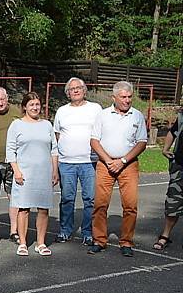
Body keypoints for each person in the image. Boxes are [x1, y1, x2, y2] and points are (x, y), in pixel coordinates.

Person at [89, 81, 148, 257]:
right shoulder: (103, 115)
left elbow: (142, 142)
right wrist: (108, 161)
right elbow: (94, 140)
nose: (127, 100)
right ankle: (99, 240)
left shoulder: (137, 116)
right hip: (105, 165)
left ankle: (126, 242)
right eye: (123, 97)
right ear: (113, 97)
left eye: (129, 97)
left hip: (128, 165)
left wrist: (122, 161)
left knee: (130, 205)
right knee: (100, 204)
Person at [6, 92, 59, 257]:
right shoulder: (17, 125)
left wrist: (55, 170)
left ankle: (41, 243)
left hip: (44, 173)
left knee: (43, 209)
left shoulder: (47, 125)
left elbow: (54, 149)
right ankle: (23, 243)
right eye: (31, 105)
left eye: (37, 104)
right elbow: (10, 150)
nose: (35, 108)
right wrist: (16, 171)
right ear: (24, 107)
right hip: (24, 174)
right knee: (23, 209)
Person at [53, 77, 102, 245]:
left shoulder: (95, 109)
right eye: (71, 89)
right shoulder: (62, 111)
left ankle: (88, 232)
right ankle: (65, 230)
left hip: (90, 162)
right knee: (67, 198)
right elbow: (58, 135)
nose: (75, 90)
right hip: (66, 163)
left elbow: (101, 132)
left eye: (78, 88)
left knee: (90, 199)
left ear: (84, 90)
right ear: (67, 93)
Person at [0, 87, 21, 245]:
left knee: (14, 197)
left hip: (13, 162)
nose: (0, 103)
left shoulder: (16, 112)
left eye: (3, 99)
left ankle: (14, 230)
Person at [154, 107, 183, 250]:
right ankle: (165, 236)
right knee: (173, 202)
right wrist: (165, 148)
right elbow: (173, 131)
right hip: (180, 166)